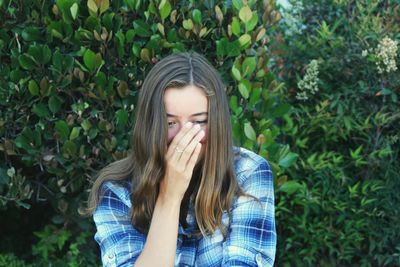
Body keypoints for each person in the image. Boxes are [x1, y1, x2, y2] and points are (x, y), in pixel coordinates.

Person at [85, 52, 276, 266]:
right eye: (170, 123)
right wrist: (170, 196)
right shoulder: (117, 190)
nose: (185, 136)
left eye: (200, 121)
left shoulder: (248, 173)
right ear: (151, 125)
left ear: (217, 122)